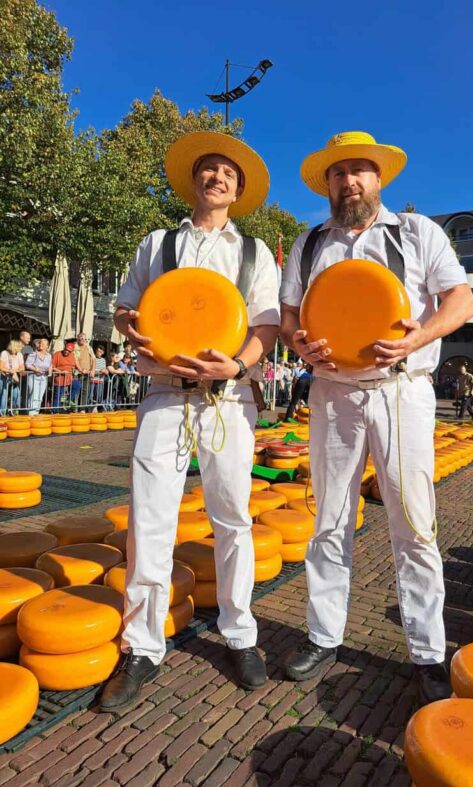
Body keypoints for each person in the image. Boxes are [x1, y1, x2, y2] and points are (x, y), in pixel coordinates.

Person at [279, 131, 473, 706]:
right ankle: (322, 634)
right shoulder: (310, 243)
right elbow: (290, 316)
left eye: (359, 172)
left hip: (401, 392)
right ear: (329, 184)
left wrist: (422, 334)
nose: (349, 182)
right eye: (339, 174)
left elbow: (460, 302)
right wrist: (298, 346)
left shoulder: (418, 232)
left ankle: (428, 651)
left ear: (379, 178)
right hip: (334, 393)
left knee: (413, 522)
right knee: (330, 518)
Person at [99, 131, 279, 713]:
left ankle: (240, 632)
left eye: (227, 172)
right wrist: (132, 327)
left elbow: (268, 327)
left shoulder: (254, 253)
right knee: (149, 518)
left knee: (232, 517)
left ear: (238, 188)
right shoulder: (158, 242)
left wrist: (240, 362)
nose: (217, 178)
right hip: (164, 394)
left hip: (228, 399)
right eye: (208, 170)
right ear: (195, 181)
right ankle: (143, 645)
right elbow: (126, 306)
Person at [51, 340, 82, 411]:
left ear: (72, 351)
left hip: (69, 378)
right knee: (58, 395)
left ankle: (68, 400)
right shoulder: (57, 354)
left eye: (69, 351)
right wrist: (61, 371)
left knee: (77, 385)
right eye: (66, 349)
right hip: (59, 378)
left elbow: (76, 365)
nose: (66, 351)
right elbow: (52, 367)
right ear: (64, 348)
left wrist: (81, 370)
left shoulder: (72, 356)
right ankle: (55, 412)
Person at [26, 338, 52, 414]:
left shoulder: (49, 355)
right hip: (34, 376)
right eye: (40, 343)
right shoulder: (33, 353)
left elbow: (50, 365)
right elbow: (27, 364)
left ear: (47, 346)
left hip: (44, 377)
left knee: (40, 397)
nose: (40, 345)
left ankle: (36, 413)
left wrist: (50, 370)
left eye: (43, 344)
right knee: (34, 396)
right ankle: (31, 414)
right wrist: (35, 369)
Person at [0, 339, 25, 415]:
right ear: (14, 347)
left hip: (14, 377)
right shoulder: (4, 353)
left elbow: (22, 367)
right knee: (3, 394)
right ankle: (2, 412)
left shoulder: (19, 354)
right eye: (19, 347)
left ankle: (14, 411)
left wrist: (14, 371)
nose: (20, 348)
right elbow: (0, 367)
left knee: (16, 394)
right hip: (4, 376)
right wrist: (9, 370)